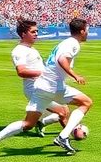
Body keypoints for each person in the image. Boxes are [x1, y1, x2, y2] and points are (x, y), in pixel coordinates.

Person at [0, 19, 70, 159]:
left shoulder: (30, 49)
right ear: (23, 34)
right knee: (62, 111)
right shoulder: (19, 51)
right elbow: (21, 72)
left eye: (37, 31)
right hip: (35, 89)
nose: (36, 34)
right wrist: (44, 74)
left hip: (42, 87)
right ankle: (64, 139)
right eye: (33, 32)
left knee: (37, 121)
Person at [36, 18, 93, 155]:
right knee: (86, 102)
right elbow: (62, 60)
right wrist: (75, 75)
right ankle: (63, 136)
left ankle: (46, 125)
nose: (88, 33)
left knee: (62, 112)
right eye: (87, 30)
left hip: (49, 83)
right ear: (81, 31)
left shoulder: (67, 42)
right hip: (53, 85)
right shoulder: (73, 43)